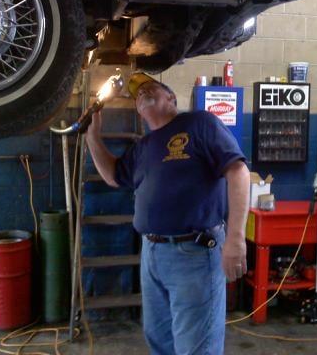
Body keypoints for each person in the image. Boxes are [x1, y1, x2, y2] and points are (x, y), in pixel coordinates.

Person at [86, 72, 250, 355]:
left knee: (196, 348)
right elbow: (113, 175)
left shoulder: (200, 123)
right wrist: (92, 135)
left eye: (151, 88)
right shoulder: (144, 146)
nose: (143, 94)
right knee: (160, 343)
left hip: (194, 254)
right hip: (152, 254)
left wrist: (236, 238)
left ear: (171, 98)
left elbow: (238, 171)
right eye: (139, 94)